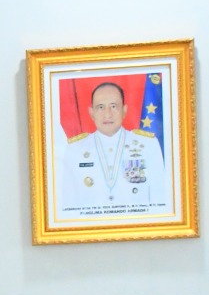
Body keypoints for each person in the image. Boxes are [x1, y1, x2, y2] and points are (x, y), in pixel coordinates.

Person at [56, 81, 171, 214]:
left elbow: (160, 200)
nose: (108, 114)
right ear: (91, 113)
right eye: (100, 107)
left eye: (113, 106)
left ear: (124, 110)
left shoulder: (148, 145)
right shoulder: (75, 150)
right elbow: (69, 205)